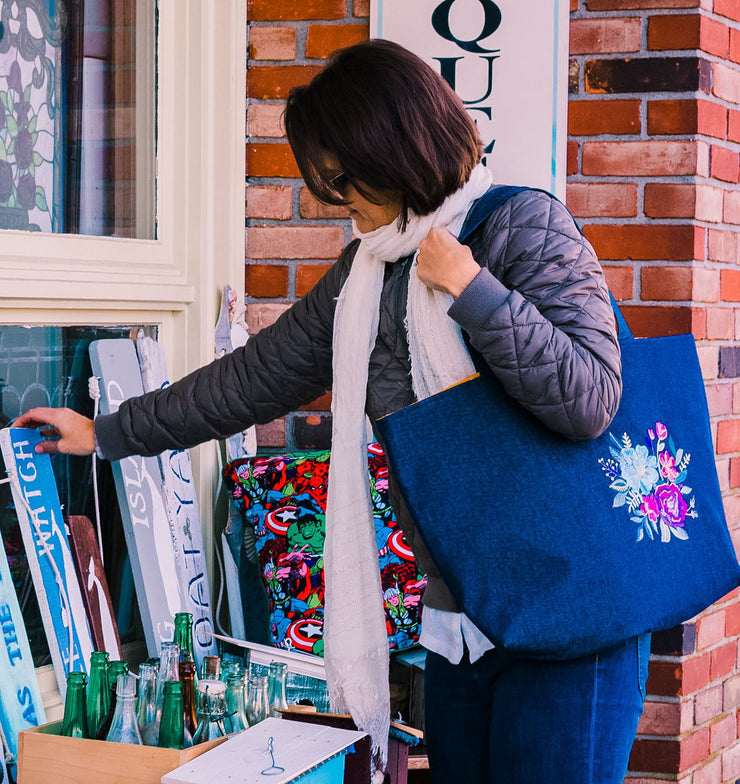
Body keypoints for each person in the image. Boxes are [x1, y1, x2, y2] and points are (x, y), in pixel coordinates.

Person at [14, 39, 648, 784]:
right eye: (325, 182)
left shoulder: (522, 228)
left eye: (343, 177)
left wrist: (473, 289)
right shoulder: (368, 269)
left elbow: (591, 398)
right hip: (458, 618)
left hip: (570, 615)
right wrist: (108, 431)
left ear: (399, 151)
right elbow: (255, 377)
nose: (336, 199)